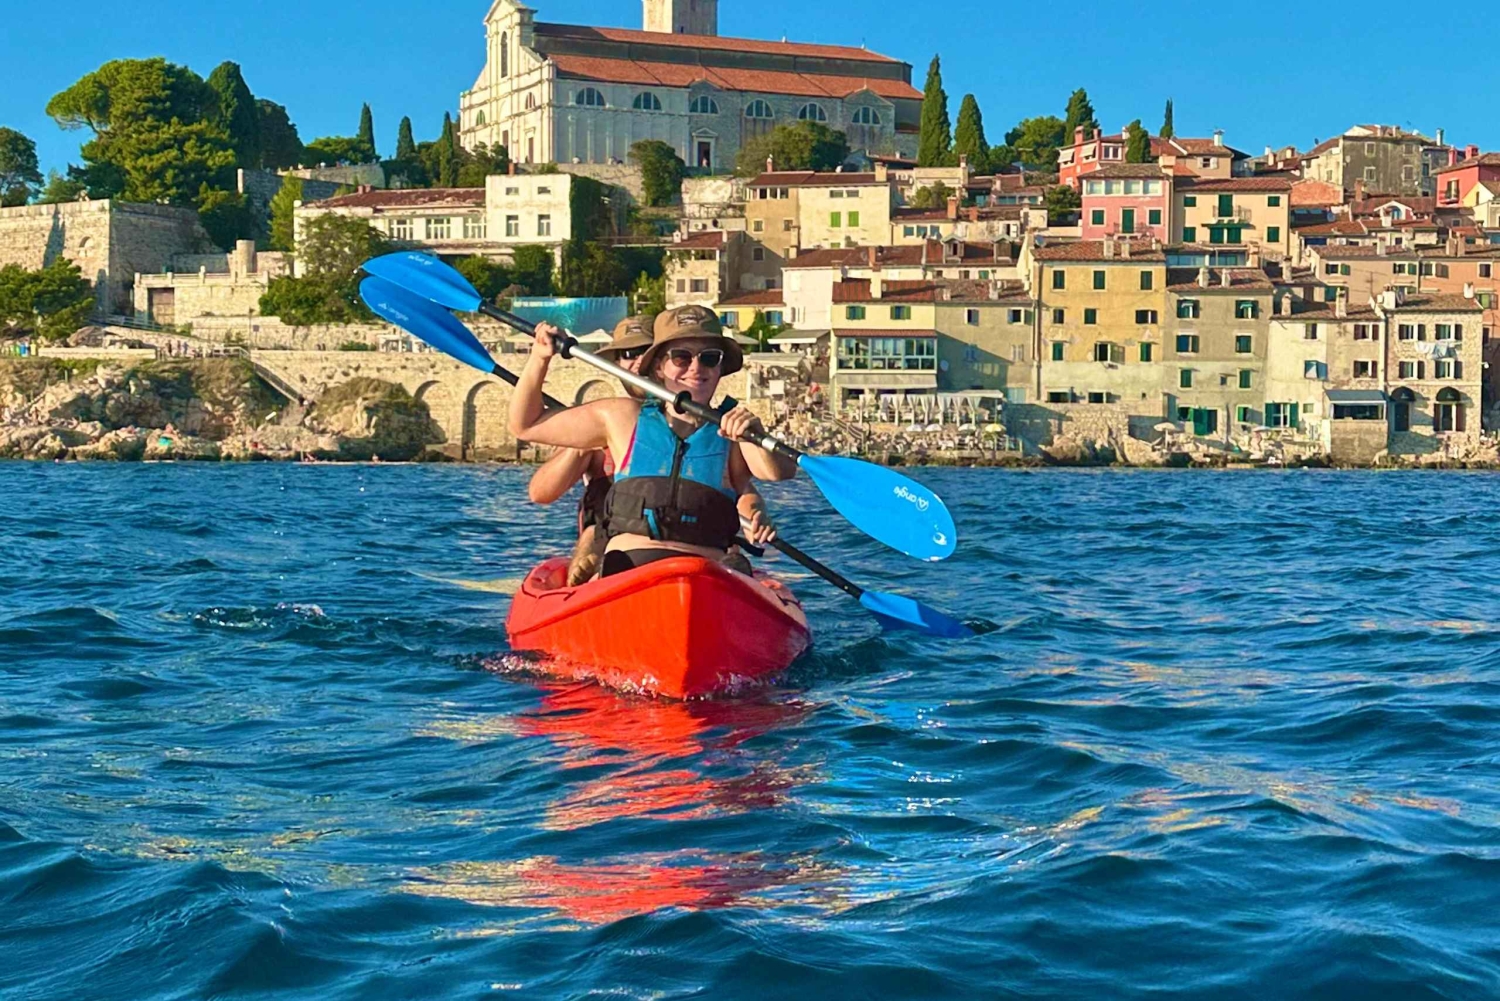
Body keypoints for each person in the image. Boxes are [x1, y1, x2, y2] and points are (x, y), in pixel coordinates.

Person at [509, 305, 794, 578]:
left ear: (720, 367)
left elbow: (777, 472)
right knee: (594, 539)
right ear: (659, 367)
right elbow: (526, 425)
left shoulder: (733, 430)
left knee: (734, 561)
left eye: (709, 358)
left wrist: (755, 435)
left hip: (705, 576)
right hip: (627, 570)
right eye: (681, 357)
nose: (696, 368)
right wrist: (539, 359)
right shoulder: (620, 416)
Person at [527, 315, 654, 585]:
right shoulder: (604, 419)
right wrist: (582, 447)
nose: (639, 362)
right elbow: (540, 493)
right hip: (608, 538)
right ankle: (588, 566)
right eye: (629, 354)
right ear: (617, 364)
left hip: (670, 536)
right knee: (592, 533)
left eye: (647, 352)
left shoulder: (695, 424)